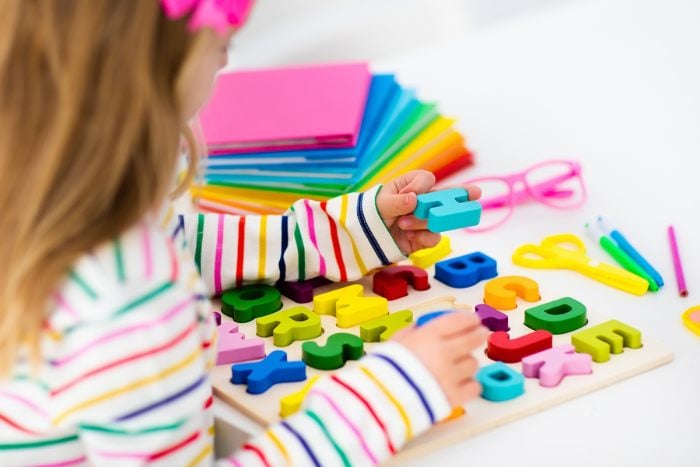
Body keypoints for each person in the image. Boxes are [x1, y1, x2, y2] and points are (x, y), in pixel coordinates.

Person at [0, 1, 487, 465]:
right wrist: (388, 398)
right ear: (149, 75)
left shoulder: (47, 185)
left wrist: (347, 233)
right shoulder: (130, 305)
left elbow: (180, 242)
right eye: (219, 42)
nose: (228, 57)